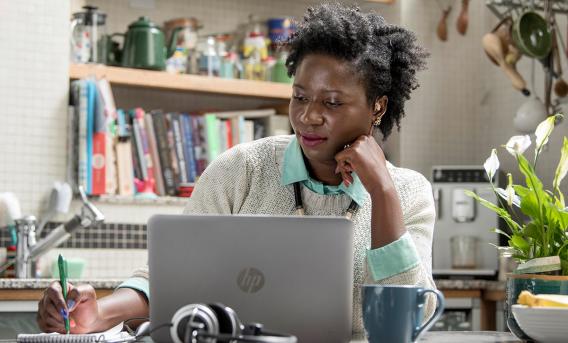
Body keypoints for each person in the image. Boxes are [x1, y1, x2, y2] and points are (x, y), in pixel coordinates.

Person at [37, 2, 435, 337]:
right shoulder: (242, 169)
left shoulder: (407, 193)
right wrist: (98, 314)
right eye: (299, 96)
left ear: (377, 107)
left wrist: (382, 192)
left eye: (331, 103)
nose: (308, 117)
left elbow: (401, 328)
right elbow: (169, 279)